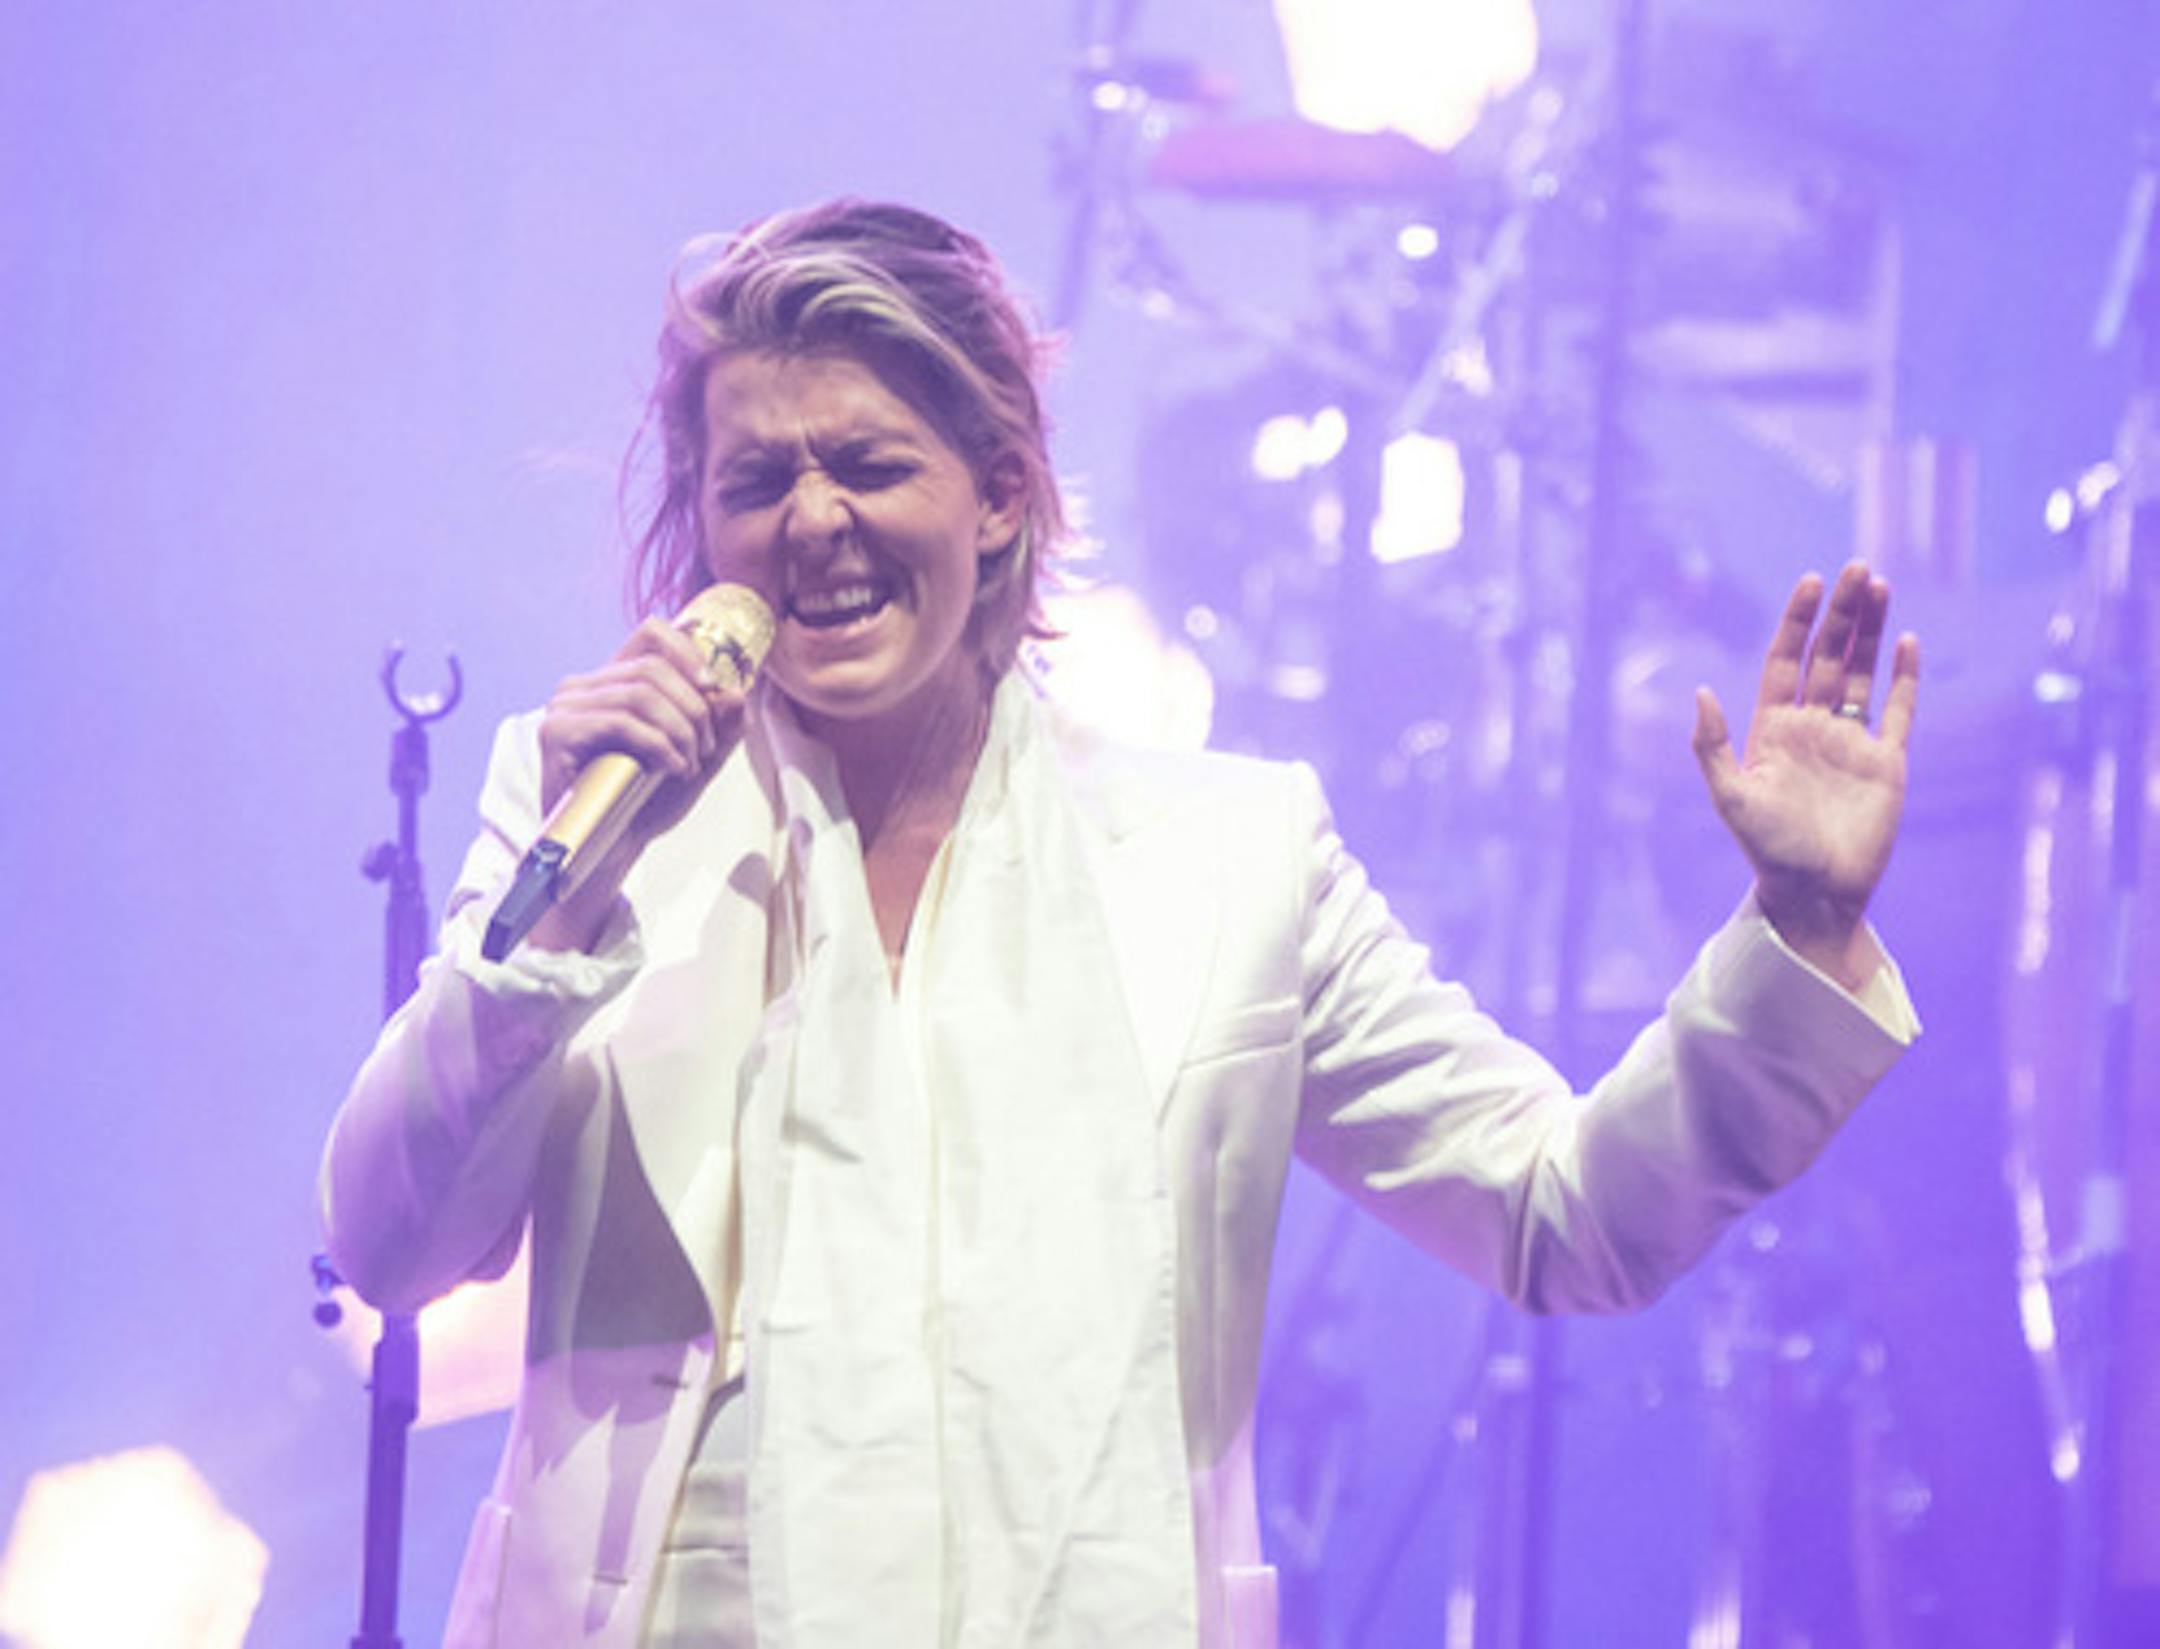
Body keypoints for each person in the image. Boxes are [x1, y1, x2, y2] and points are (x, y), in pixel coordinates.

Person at [320, 198, 1922, 1649]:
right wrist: (567, 895)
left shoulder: (1229, 856)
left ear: (1002, 495)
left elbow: (1567, 1212)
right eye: (757, 482)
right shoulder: (588, 812)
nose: (813, 522)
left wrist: (1792, 929)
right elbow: (395, 1244)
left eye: (869, 465)